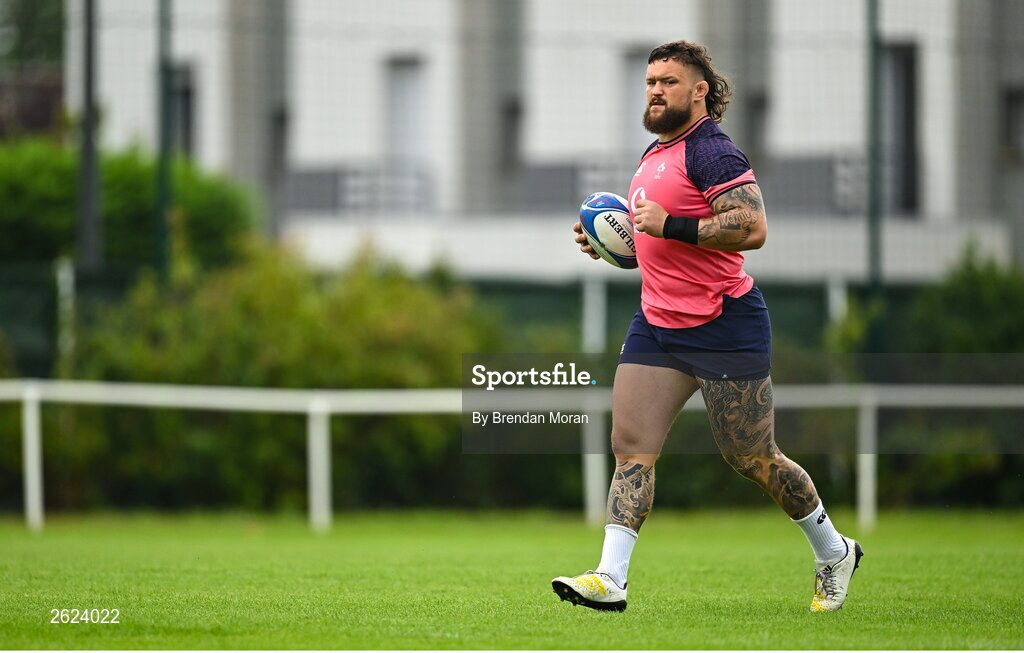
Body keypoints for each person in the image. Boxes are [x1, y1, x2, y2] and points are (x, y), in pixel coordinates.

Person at [552, 40, 863, 613]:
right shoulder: (654, 152)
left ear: (699, 91)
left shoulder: (712, 150)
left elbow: (751, 227)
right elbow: (656, 241)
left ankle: (834, 550)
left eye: (668, 82)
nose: (655, 90)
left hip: (723, 323)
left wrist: (669, 224)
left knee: (753, 457)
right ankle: (610, 577)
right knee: (631, 447)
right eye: (650, 81)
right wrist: (614, 245)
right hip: (657, 324)